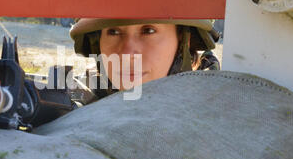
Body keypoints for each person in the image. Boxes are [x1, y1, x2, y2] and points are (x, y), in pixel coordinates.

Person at [68, 18, 221, 101]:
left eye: (148, 31)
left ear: (183, 41)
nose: (127, 54)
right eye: (113, 32)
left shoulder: (217, 110)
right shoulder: (80, 100)